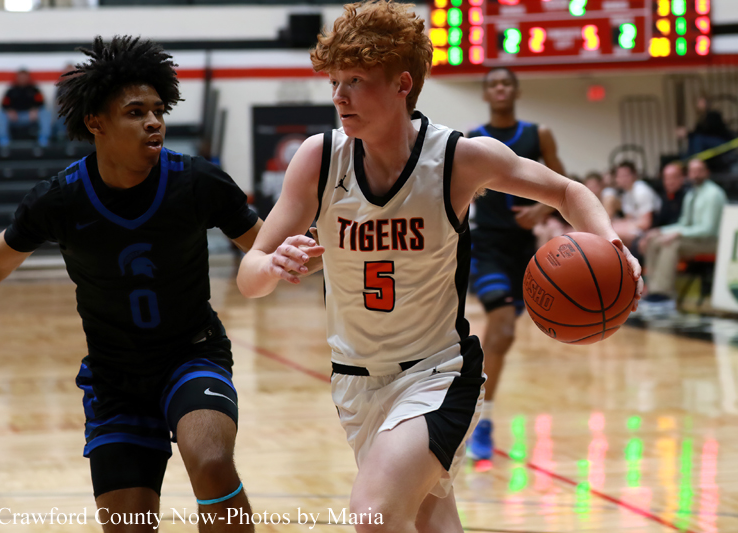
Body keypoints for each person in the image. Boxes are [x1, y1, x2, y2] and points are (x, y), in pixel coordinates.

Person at [236, 3, 642, 532]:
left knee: (374, 514)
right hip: (354, 381)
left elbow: (567, 192)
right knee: (431, 523)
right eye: (335, 81)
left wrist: (613, 245)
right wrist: (273, 264)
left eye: (356, 80)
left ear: (402, 83)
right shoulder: (319, 159)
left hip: (438, 375)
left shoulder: (457, 158)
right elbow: (249, 277)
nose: (339, 96)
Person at [0, 36, 262, 532]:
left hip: (192, 355)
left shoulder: (197, 181)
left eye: (158, 111)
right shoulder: (59, 200)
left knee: (212, 462)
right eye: (136, 112)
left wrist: (309, 252)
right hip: (114, 378)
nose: (154, 122)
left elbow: (265, 248)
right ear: (96, 122)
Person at [465, 67, 566, 461]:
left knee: (502, 335)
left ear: (516, 91)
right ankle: (481, 420)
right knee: (502, 327)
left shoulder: (539, 134)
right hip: (486, 245)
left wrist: (541, 209)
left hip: (524, 251)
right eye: (493, 84)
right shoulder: (473, 138)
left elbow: (562, 183)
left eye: (506, 83)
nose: (500, 88)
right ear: (486, 94)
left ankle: (472, 393)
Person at [639, 158, 727, 316]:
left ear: (707, 172)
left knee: (671, 243)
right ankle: (652, 290)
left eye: (699, 170)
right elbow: (684, 223)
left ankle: (664, 295)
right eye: (692, 171)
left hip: (712, 241)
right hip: (693, 239)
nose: (695, 174)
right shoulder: (691, 194)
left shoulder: (714, 194)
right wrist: (660, 230)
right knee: (654, 240)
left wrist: (678, 234)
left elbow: (708, 229)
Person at [636, 161, 689, 259]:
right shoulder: (665, 196)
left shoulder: (688, 196)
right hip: (663, 232)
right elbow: (660, 221)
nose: (670, 182)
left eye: (673, 177)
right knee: (638, 242)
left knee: (656, 243)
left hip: (680, 234)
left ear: (682, 178)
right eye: (666, 178)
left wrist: (657, 232)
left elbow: (684, 223)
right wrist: (648, 234)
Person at [0, 68, 52, 147]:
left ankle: (43, 139)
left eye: (24, 77)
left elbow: (41, 103)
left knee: (45, 113)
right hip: (15, 118)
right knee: (1, 114)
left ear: (28, 78)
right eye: (20, 77)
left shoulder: (34, 90)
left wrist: (35, 110)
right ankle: (3, 140)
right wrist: (10, 111)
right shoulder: (11, 91)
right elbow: (4, 105)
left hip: (30, 117)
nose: (22, 79)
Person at [612, 160, 661, 245]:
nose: (622, 179)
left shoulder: (641, 190)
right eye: (619, 176)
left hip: (653, 228)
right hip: (638, 227)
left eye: (625, 175)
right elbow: (629, 218)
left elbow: (646, 223)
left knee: (614, 233)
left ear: (633, 175)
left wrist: (624, 225)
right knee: (611, 229)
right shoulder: (626, 194)